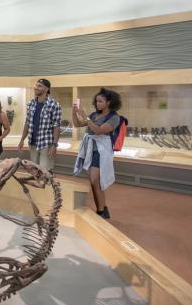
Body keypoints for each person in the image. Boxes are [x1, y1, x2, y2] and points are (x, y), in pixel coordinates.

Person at [72, 87, 122, 219]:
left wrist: (85, 116)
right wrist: (74, 113)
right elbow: (77, 124)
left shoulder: (114, 118)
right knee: (93, 180)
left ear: (109, 103)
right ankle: (102, 208)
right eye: (97, 101)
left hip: (102, 150)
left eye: (100, 101)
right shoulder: (94, 115)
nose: (98, 103)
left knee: (95, 179)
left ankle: (101, 210)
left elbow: (99, 130)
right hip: (91, 149)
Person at [17, 79, 62, 171]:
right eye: (36, 85)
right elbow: (27, 123)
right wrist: (22, 140)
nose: (36, 87)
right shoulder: (31, 104)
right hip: (33, 143)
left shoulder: (54, 105)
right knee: (34, 171)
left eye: (39, 86)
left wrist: (54, 145)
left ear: (46, 89)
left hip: (46, 143)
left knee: (45, 172)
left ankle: (48, 185)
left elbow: (56, 126)